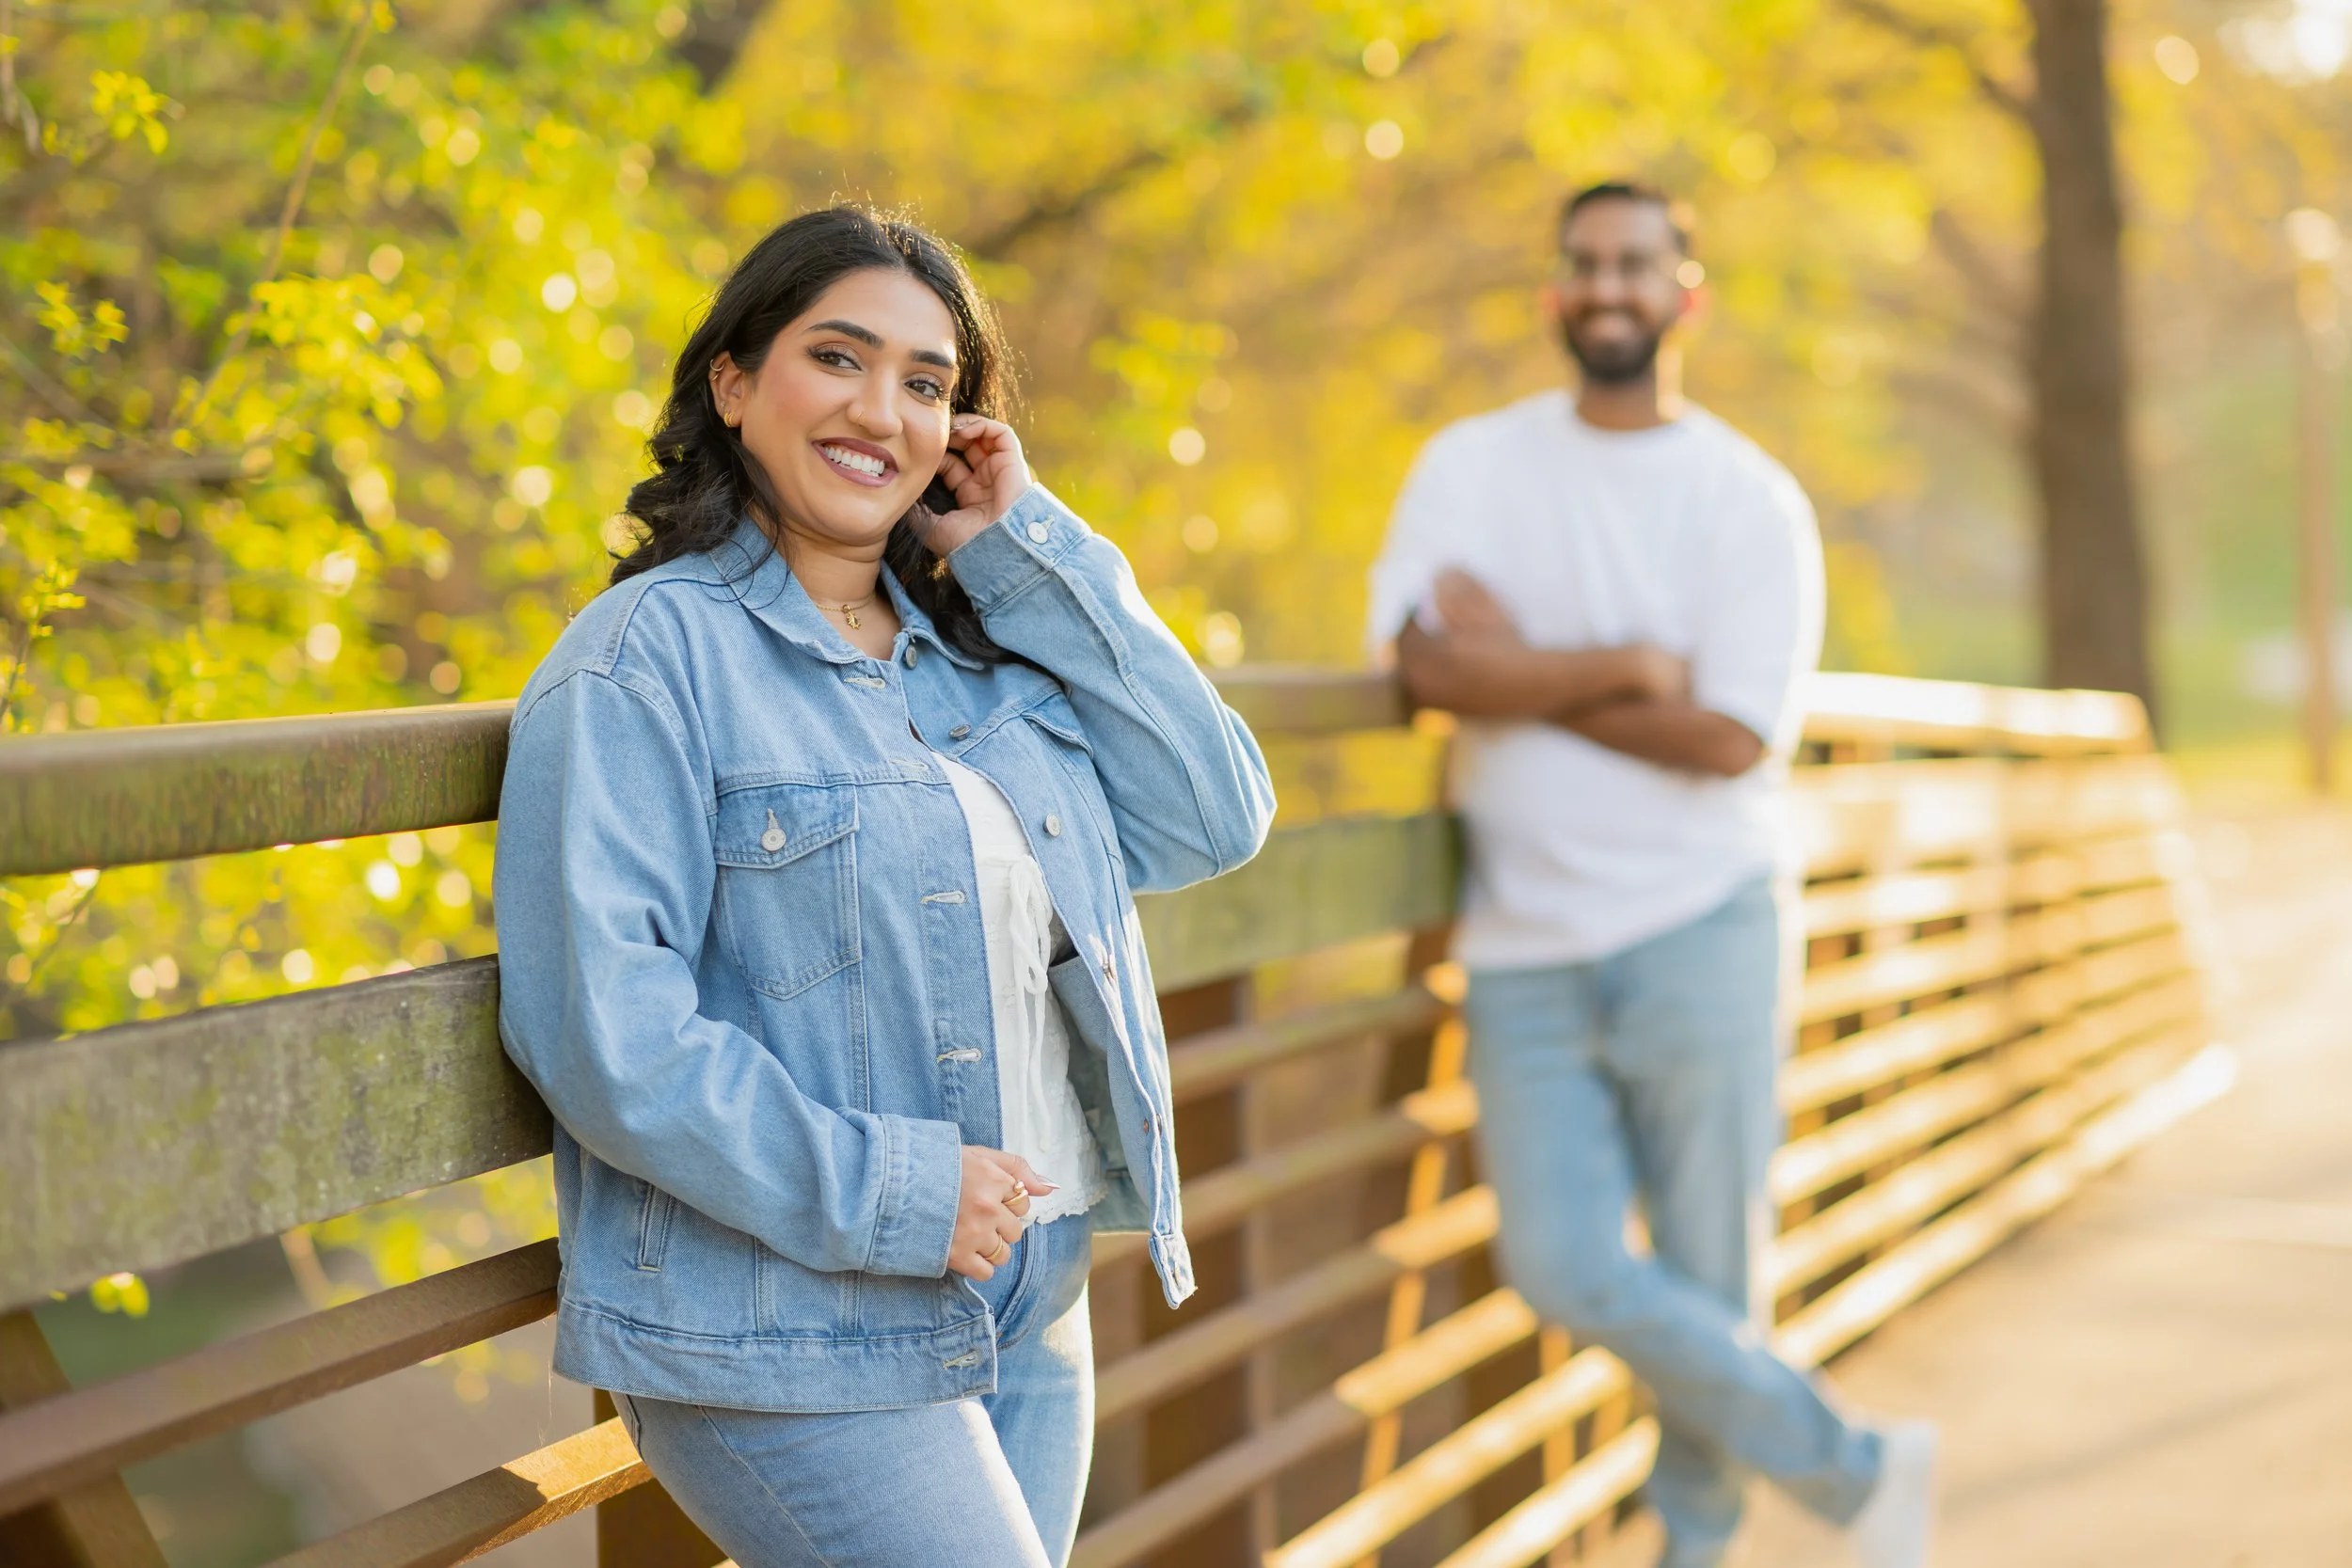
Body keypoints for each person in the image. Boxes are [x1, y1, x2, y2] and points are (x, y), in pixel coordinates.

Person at [493, 206, 1275, 1568]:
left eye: (926, 383)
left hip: (1031, 1293)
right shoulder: (643, 660)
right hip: (793, 1321)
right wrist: (898, 1192)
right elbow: (603, 1034)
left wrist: (1025, 544)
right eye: (837, 358)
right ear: (734, 383)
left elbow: (1214, 812)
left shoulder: (983, 658)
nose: (880, 411)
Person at [1364, 182, 1936, 1568]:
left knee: (1707, 1273)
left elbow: (1731, 737)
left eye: (1635, 263)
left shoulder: (1748, 499)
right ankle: (1857, 1466)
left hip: (1704, 926)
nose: (1606, 285)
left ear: (1688, 294)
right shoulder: (1471, 464)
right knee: (1561, 1264)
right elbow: (1424, 670)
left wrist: (1521, 672)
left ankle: (1695, 1544)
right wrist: (1626, 666)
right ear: (1555, 293)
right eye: (1584, 263)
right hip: (1522, 943)